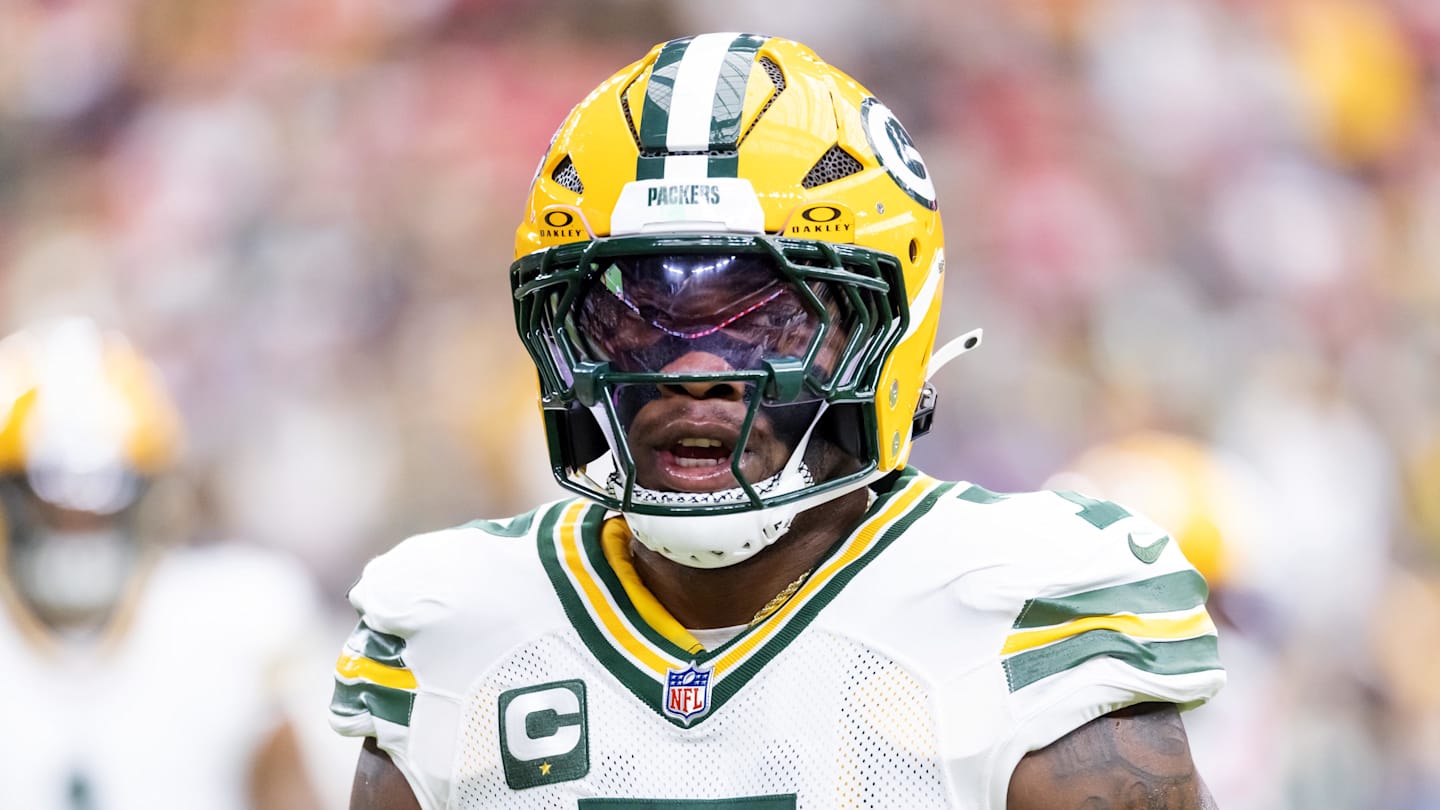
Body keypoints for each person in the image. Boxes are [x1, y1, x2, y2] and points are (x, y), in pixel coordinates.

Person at [332, 33, 1224, 809]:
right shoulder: (455, 629)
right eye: (639, 315)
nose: (693, 370)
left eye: (768, 319)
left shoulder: (1023, 618)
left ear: (886, 330)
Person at [0, 317, 323, 810]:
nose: (78, 527)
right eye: (51, 507)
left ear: (153, 498)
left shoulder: (237, 619)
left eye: (103, 506)